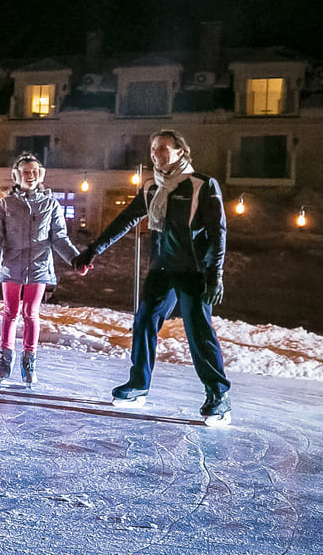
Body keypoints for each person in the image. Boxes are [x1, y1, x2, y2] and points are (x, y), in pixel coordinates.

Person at [72, 129, 233, 425]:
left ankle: (218, 395)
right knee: (144, 321)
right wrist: (94, 250)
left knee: (199, 333)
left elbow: (217, 233)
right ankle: (138, 385)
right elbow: (126, 219)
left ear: (180, 152)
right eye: (153, 150)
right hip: (161, 270)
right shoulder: (151, 187)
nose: (156, 155)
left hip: (193, 272)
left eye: (162, 149)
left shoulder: (202, 185)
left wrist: (215, 274)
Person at [0, 154, 79, 386]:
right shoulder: (5, 204)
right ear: (16, 176)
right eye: (24, 171)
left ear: (40, 175)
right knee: (10, 312)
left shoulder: (51, 204)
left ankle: (29, 360)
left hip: (39, 268)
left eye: (33, 171)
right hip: (11, 266)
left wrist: (76, 260)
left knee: (31, 313)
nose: (29, 175)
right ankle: (6, 358)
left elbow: (59, 237)